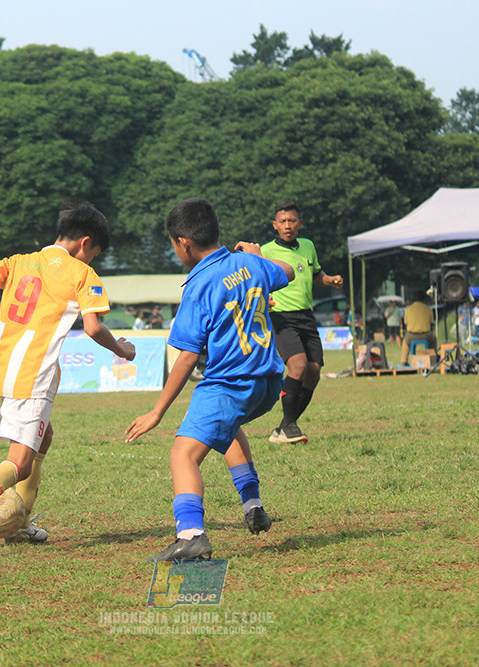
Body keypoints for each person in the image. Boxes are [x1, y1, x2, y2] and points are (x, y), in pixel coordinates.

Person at [0, 203, 136, 554]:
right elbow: (92, 327)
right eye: (95, 254)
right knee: (20, 461)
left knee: (44, 438)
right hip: (33, 374)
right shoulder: (80, 273)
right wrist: (121, 348)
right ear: (86, 243)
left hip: (6, 368)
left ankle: (19, 523)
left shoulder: (19, 261)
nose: (92, 262)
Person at [125, 197, 295, 561]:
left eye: (173, 244)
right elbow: (290, 272)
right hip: (267, 383)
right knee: (227, 428)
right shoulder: (249, 262)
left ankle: (191, 535)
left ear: (183, 243)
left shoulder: (198, 285)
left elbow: (187, 356)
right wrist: (258, 256)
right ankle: (253, 506)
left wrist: (156, 412)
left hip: (230, 383)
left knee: (182, 454)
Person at [260, 201, 343, 444]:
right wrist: (264, 297)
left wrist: (329, 280)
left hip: (306, 315)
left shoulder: (308, 246)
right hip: (281, 316)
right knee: (297, 365)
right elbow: (255, 278)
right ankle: (290, 426)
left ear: (300, 224)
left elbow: (316, 274)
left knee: (313, 372)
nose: (288, 225)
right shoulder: (265, 251)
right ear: (275, 225)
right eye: (283, 221)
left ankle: (284, 426)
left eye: (292, 220)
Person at [400, 291, 436, 365]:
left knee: (405, 342)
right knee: (433, 340)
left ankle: (404, 361)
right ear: (424, 299)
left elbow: (406, 323)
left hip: (411, 335)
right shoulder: (428, 309)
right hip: (425, 335)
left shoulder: (408, 309)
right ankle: (433, 358)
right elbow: (431, 323)